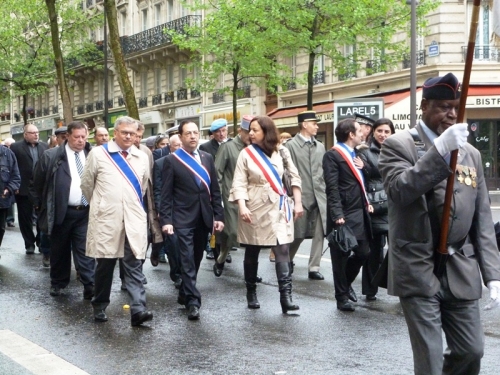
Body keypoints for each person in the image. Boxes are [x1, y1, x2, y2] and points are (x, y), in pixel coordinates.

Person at [378, 72, 500, 375]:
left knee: (471, 350)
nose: (451, 114)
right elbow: (400, 190)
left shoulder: (470, 153)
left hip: (460, 265)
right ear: (425, 106)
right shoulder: (398, 145)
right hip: (417, 264)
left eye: (456, 107)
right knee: (430, 360)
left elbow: (482, 219)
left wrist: (492, 274)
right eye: (444, 106)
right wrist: (439, 151)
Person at [81, 116, 153, 326]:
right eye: (124, 132)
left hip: (133, 219)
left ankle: (138, 309)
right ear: (116, 133)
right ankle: (100, 304)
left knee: (134, 265)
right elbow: (87, 185)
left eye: (132, 133)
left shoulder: (141, 157)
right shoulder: (98, 154)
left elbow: (143, 187)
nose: (129, 136)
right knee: (105, 264)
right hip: (107, 219)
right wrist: (102, 204)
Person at [230, 115, 303, 313]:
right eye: (250, 130)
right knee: (253, 249)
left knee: (283, 249)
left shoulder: (282, 152)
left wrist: (297, 202)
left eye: (255, 130)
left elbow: (294, 177)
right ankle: (251, 291)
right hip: (254, 206)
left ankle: (286, 298)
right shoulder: (246, 154)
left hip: (279, 206)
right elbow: (239, 182)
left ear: (267, 132)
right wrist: (242, 206)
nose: (251, 133)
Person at [159, 121, 224, 321]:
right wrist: (166, 220)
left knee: (195, 258)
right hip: (181, 218)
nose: (193, 136)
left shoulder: (207, 158)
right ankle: (193, 302)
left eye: (196, 133)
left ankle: (184, 293)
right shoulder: (172, 160)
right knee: (186, 259)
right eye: (188, 133)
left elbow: (214, 190)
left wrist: (218, 216)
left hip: (203, 217)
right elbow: (166, 194)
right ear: (181, 136)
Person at [31, 121, 95, 298]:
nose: (81, 140)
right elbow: (37, 183)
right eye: (77, 137)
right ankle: (58, 282)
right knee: (60, 249)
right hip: (60, 211)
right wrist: (40, 206)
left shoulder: (92, 154)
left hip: (85, 211)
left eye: (84, 136)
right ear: (67, 136)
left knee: (85, 250)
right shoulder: (51, 156)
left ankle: (90, 284)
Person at [323, 118, 373, 312]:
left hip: (359, 210)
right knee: (340, 254)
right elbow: (332, 188)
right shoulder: (332, 156)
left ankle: (346, 283)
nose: (363, 133)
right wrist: (336, 214)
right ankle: (341, 296)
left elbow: (365, 179)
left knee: (363, 252)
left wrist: (366, 168)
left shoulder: (358, 153)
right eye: (359, 130)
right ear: (351, 134)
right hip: (343, 212)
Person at [285, 111, 327, 280]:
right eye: (314, 123)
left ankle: (314, 267)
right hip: (300, 196)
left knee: (319, 233)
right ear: (304, 125)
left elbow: (323, 171)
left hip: (319, 196)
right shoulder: (290, 146)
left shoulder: (320, 146)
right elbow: (286, 173)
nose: (317, 126)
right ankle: (287, 260)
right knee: (298, 233)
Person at [358, 118, 395, 300]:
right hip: (375, 206)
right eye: (380, 131)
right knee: (373, 251)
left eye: (387, 132)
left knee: (398, 251)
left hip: (395, 206)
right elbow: (362, 179)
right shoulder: (364, 153)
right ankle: (370, 289)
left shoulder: (398, 151)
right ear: (373, 132)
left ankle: (400, 288)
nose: (383, 135)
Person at [212, 115, 253, 276]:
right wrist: (217, 201)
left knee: (252, 235)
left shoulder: (255, 147)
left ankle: (251, 270)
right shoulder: (227, 147)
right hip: (231, 197)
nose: (251, 135)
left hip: (252, 197)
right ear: (240, 131)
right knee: (231, 233)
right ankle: (221, 258)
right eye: (248, 132)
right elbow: (217, 174)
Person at [10, 124, 48, 254]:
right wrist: (15, 185)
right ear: (25, 134)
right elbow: (12, 167)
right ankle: (29, 243)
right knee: (25, 218)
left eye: (37, 132)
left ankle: (40, 241)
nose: (36, 134)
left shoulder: (44, 147)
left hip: (40, 189)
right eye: (32, 133)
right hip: (23, 189)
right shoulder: (15, 147)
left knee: (41, 217)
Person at [153, 133, 182, 287]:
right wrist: (160, 210)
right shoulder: (160, 163)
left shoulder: (193, 161)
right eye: (177, 145)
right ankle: (177, 274)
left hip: (188, 210)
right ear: (170, 147)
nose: (180, 148)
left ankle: (188, 273)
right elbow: (157, 190)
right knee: (174, 242)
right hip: (169, 209)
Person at [200, 118, 231, 260]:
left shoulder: (232, 145)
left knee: (229, 220)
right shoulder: (206, 147)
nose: (221, 134)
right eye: (218, 131)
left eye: (223, 130)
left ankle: (226, 249)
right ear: (212, 134)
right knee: (216, 220)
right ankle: (215, 249)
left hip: (229, 187)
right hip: (213, 186)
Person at [0, 144, 20, 257]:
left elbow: (16, 176)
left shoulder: (8, 154)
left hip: (2, 200)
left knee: (1, 229)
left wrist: (9, 188)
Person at [3, 138, 16, 228]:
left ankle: (10, 219)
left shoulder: (10, 154)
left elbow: (15, 173)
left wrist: (11, 187)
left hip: (7, 187)